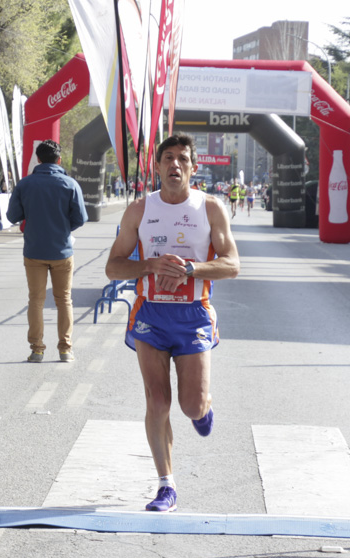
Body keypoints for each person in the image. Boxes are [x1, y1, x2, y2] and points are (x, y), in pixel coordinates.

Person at [106, 133, 240, 512]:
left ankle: (203, 409)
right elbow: (113, 267)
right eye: (168, 158)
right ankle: (166, 485)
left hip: (193, 315)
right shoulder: (139, 210)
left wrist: (191, 269)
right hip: (151, 313)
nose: (175, 164)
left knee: (191, 405)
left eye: (183, 158)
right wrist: (149, 264)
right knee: (158, 400)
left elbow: (232, 265)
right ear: (158, 166)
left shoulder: (210, 208)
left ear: (193, 168)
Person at [6, 140, 87, 363]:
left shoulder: (25, 184)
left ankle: (37, 349)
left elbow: (12, 216)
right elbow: (80, 218)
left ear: (38, 159)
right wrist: (62, 228)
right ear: (59, 160)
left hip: (34, 250)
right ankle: (65, 349)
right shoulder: (70, 184)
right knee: (64, 300)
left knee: (36, 300)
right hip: (62, 251)